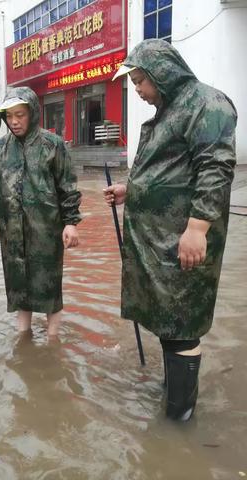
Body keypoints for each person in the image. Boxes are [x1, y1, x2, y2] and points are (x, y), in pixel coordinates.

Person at [104, 39, 237, 421]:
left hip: (182, 239)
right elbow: (168, 170)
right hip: (158, 241)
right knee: (168, 318)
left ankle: (180, 415)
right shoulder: (169, 111)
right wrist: (131, 190)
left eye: (141, 81)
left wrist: (197, 228)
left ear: (162, 74)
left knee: (182, 323)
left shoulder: (205, 104)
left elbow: (215, 168)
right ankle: (174, 392)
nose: (139, 91)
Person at [0, 86, 82, 338]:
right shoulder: (1, 148)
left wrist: (71, 222)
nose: (14, 122)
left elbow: (67, 186)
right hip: (12, 232)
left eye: (20, 115)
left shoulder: (53, 145)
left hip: (46, 230)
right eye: (9, 116)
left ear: (33, 113)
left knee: (49, 287)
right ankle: (23, 338)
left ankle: (52, 340)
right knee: (19, 287)